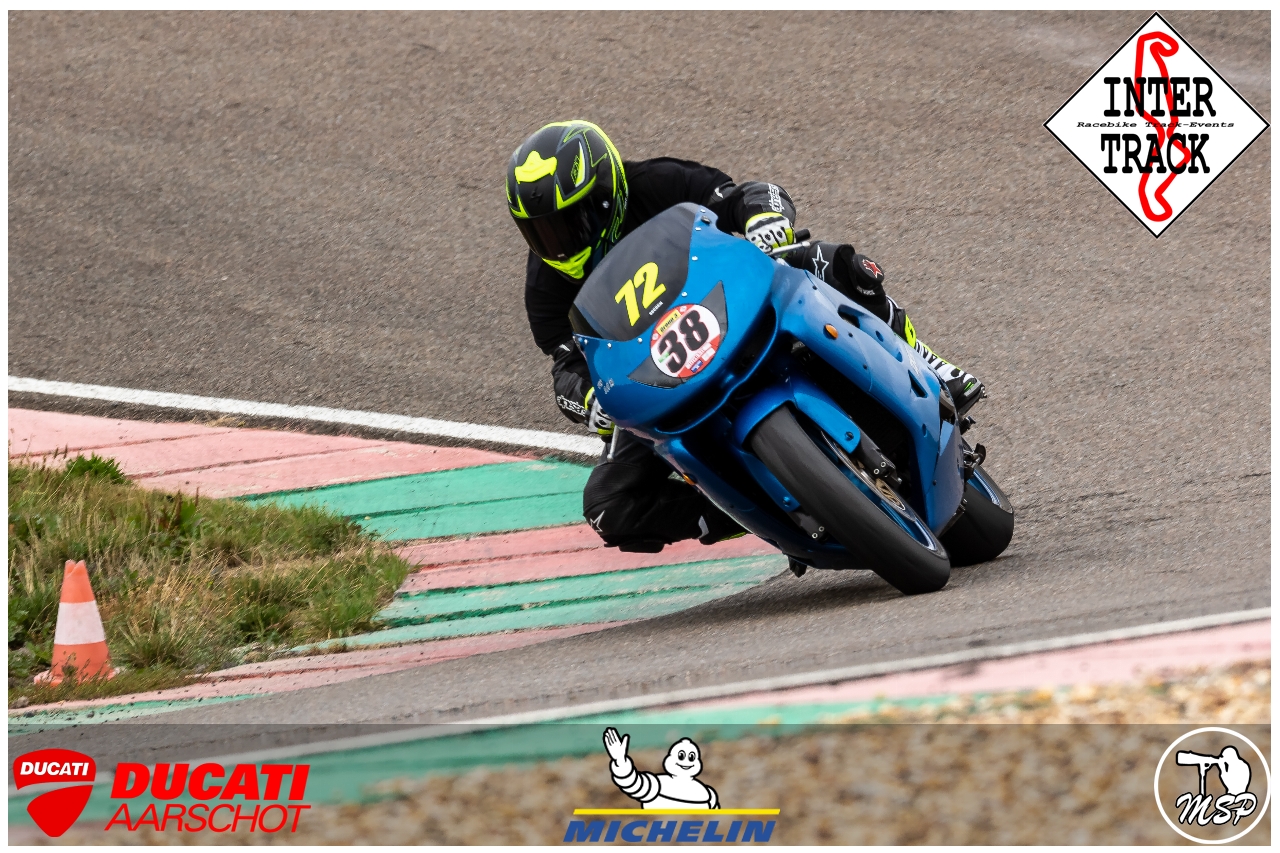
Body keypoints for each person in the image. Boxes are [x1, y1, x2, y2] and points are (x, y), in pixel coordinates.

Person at [507, 120, 983, 553]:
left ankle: (925, 361)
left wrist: (763, 220)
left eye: (569, 222)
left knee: (832, 263)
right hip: (661, 380)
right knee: (609, 506)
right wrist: (585, 400)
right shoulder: (545, 290)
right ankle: (749, 509)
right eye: (541, 232)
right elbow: (567, 365)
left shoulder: (657, 182)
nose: (559, 243)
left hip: (733, 306)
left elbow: (745, 196)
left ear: (606, 195)